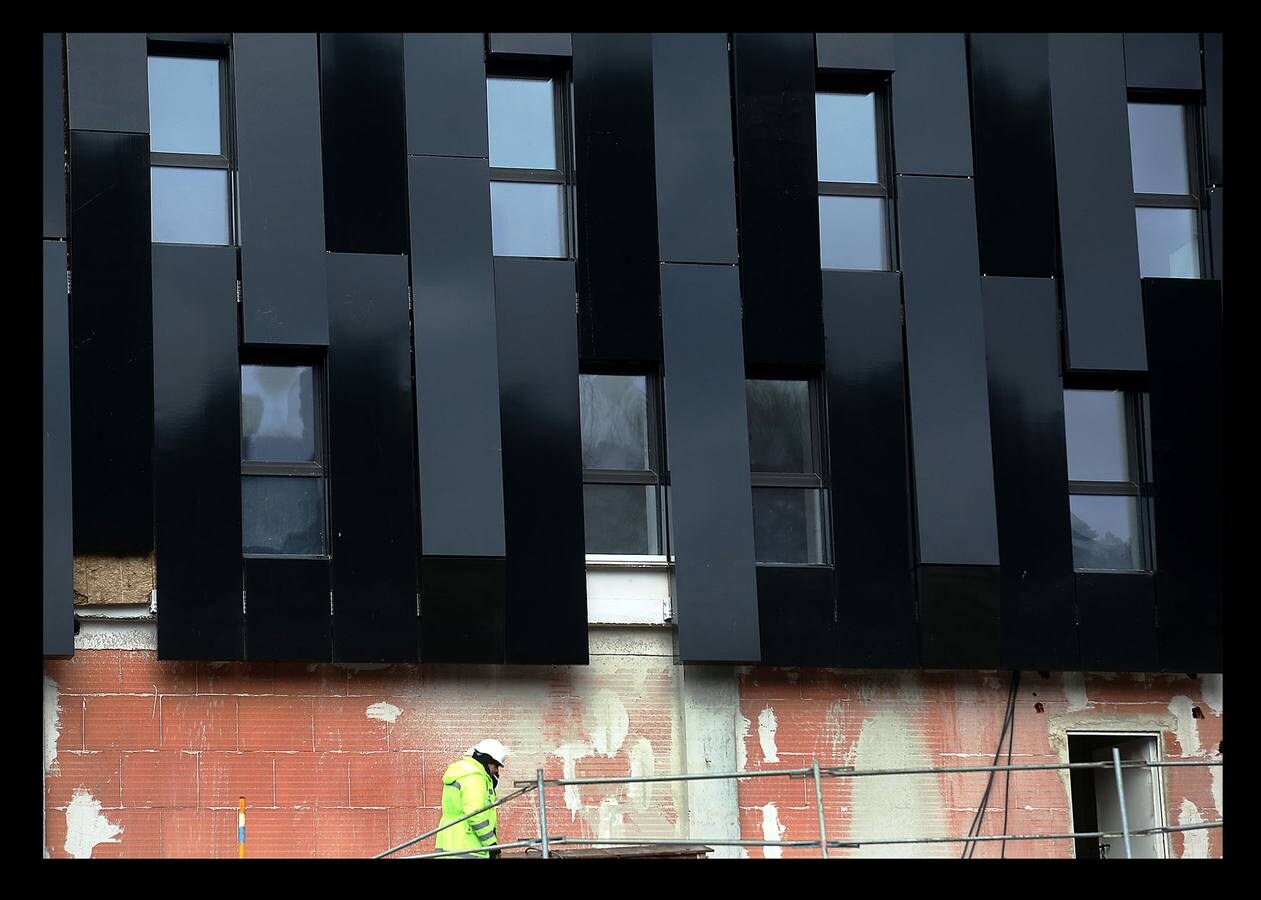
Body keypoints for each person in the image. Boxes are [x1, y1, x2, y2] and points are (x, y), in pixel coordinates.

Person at [435, 738, 509, 859]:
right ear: (487, 760)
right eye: (496, 765)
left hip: (449, 845)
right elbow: (475, 815)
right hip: (468, 846)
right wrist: (491, 844)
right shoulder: (475, 778)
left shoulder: (462, 772)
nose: (496, 770)